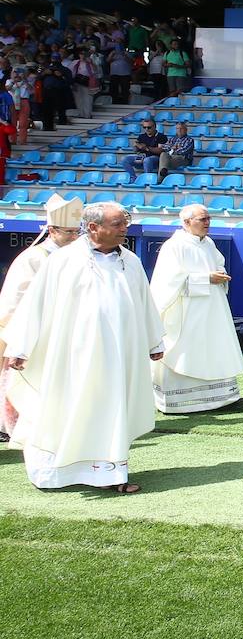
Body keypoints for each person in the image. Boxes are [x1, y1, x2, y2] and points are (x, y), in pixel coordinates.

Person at [1, 203, 164, 492]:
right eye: (117, 224)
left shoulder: (131, 261)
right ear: (93, 227)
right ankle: (55, 474)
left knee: (111, 410)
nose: (124, 229)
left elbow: (145, 303)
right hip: (72, 356)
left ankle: (111, 475)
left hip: (118, 356)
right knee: (66, 409)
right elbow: (35, 305)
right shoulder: (62, 261)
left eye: (124, 223)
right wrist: (20, 347)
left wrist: (154, 341)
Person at [148, 204, 243, 414]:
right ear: (186, 222)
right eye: (202, 219)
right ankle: (181, 402)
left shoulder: (208, 242)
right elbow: (168, 281)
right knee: (186, 350)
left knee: (213, 346)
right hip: (186, 310)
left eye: (208, 218)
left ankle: (222, 398)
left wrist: (219, 274)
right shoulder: (174, 246)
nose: (207, 223)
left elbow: (218, 263)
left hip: (212, 308)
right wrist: (206, 278)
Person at [0, 194, 82, 440]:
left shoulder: (78, 257)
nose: (74, 237)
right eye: (68, 232)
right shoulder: (34, 258)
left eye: (76, 231)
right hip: (37, 333)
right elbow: (15, 301)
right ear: (53, 230)